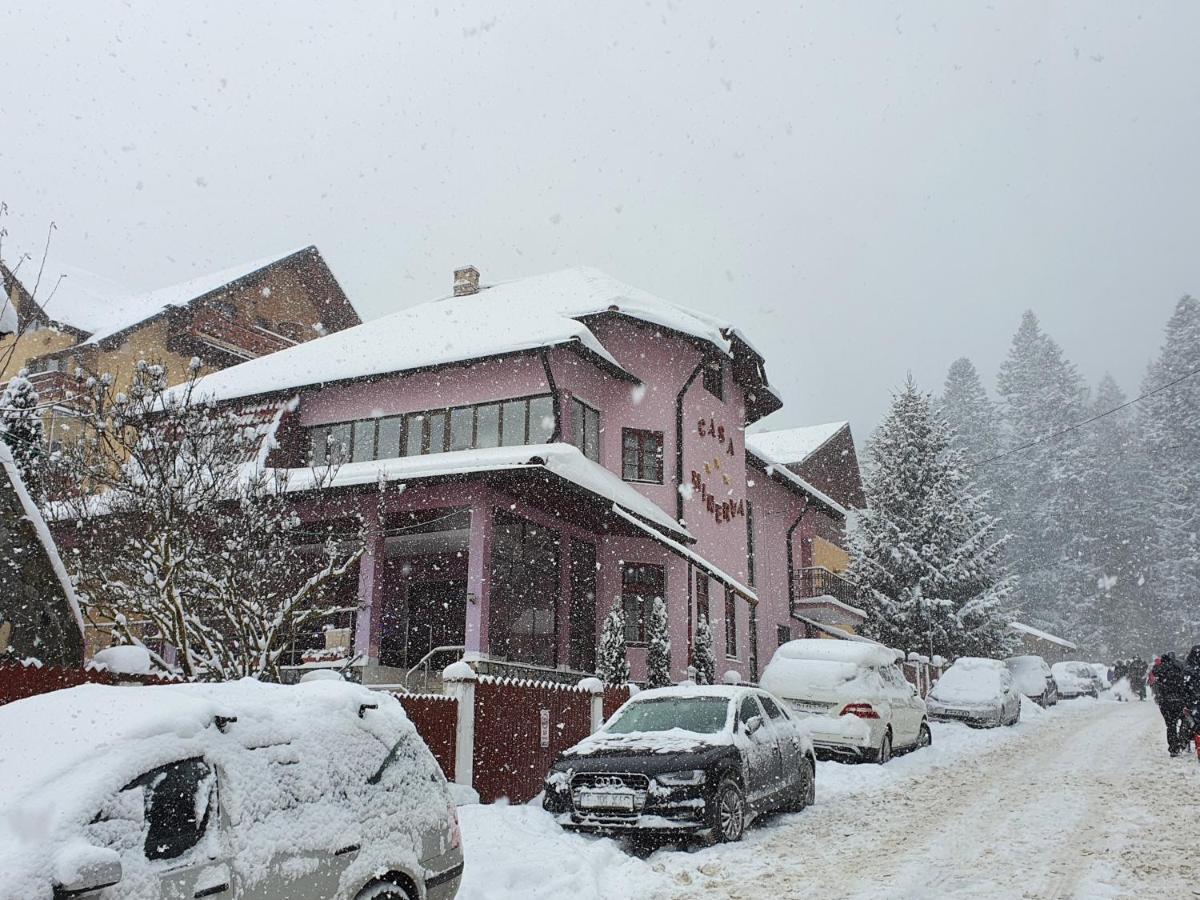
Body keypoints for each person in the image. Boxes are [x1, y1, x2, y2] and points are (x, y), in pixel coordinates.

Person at [1151, 652, 1189, 756]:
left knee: (1170, 725)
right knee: (1184, 720)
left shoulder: (1161, 668)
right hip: (1180, 699)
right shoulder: (1179, 666)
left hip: (1166, 701)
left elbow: (1153, 672)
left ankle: (1173, 748)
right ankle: (1183, 739)